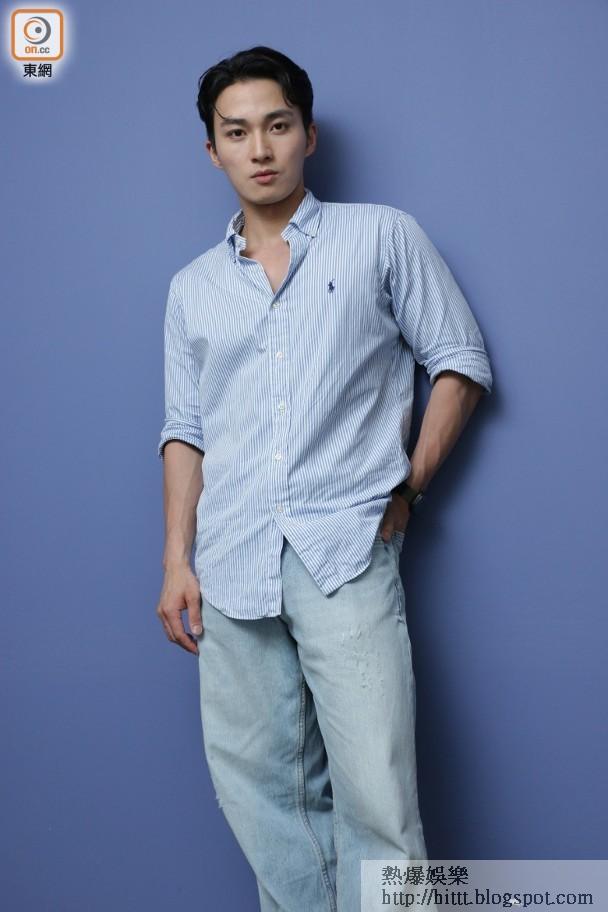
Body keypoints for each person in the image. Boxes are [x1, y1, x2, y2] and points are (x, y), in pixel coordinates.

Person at [155, 45, 492, 912]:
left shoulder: (381, 235)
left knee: (378, 797)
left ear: (307, 133)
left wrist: (408, 488)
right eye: (237, 133)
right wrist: (176, 561)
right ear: (213, 152)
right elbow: (185, 431)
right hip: (230, 564)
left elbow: (459, 360)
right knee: (264, 801)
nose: (260, 148)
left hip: (343, 549)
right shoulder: (192, 289)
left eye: (277, 125)